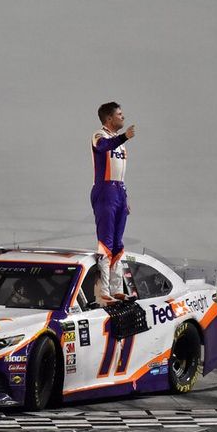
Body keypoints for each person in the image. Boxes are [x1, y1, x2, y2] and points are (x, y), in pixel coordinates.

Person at [90, 102, 136, 305]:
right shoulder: (99, 135)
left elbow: (120, 172)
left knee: (118, 243)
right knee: (106, 242)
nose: (123, 117)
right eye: (119, 114)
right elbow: (103, 148)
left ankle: (117, 289)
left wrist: (125, 197)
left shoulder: (120, 143)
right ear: (109, 118)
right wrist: (123, 136)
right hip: (104, 190)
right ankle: (104, 290)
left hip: (119, 191)